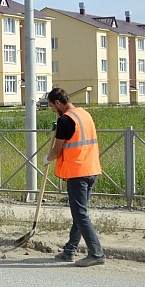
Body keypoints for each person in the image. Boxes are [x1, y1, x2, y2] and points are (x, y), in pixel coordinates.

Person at [45, 87, 105, 267]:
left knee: (80, 215)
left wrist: (47, 158)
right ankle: (70, 250)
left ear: (57, 102)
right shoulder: (84, 114)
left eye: (51, 107)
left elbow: (57, 150)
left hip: (77, 172)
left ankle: (96, 253)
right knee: (80, 215)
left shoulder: (65, 120)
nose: (52, 110)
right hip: (92, 168)